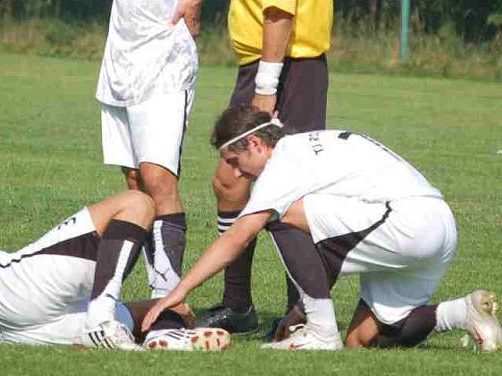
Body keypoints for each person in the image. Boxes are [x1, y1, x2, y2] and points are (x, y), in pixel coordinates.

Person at [143, 105, 502, 352]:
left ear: (255, 143)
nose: (236, 174)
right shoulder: (307, 146)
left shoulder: (283, 160)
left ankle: (320, 332)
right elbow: (326, 245)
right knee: (361, 340)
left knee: (279, 216)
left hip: (407, 223)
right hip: (439, 225)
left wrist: (178, 291)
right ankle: (462, 312)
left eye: (235, 162)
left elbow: (238, 236)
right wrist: (300, 309)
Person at [174, 0, 333, 333]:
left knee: (289, 192)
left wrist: (266, 90)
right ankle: (239, 306)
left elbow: (279, 12)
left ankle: (304, 312)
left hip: (289, 73)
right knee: (231, 181)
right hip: (263, 71)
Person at [90, 0, 246, 300]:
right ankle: (122, 292)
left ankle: (166, 297)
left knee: (158, 179)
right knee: (135, 184)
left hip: (165, 63)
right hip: (119, 64)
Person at [0, 164, 231, 351]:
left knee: (165, 309)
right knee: (138, 202)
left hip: (8, 332)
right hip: (12, 292)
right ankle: (103, 321)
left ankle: (159, 336)